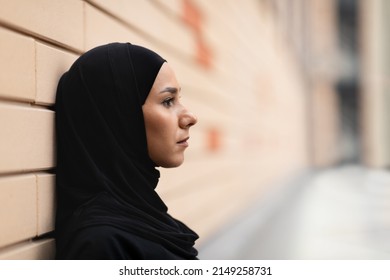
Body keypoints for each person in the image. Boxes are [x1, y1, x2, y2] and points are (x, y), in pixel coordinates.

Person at [54, 42, 199, 259]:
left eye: (178, 99)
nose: (190, 118)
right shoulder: (100, 245)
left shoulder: (145, 215)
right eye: (168, 101)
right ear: (120, 117)